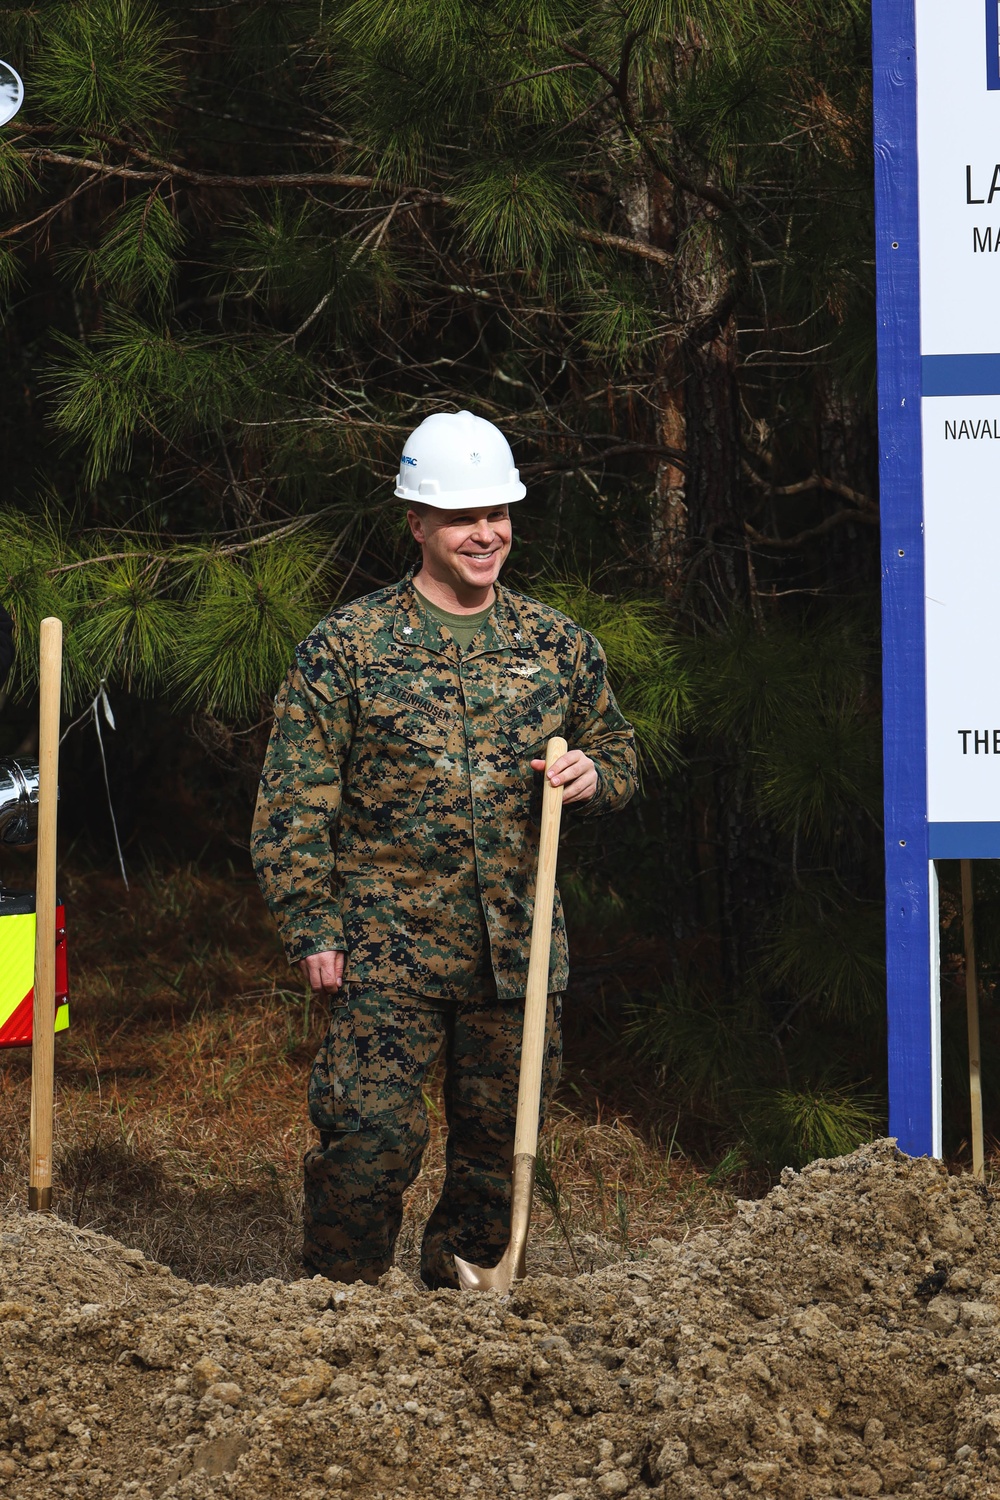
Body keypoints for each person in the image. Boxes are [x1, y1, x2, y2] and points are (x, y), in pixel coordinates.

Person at [251, 410, 638, 1288]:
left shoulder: (557, 647)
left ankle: (463, 1307)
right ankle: (333, 1309)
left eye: (498, 513)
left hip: (518, 949)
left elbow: (619, 755)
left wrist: (594, 776)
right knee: (368, 1142)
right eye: (463, 517)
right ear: (417, 523)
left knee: (500, 1153)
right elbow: (293, 801)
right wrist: (312, 923)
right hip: (388, 952)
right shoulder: (347, 649)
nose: (486, 533)